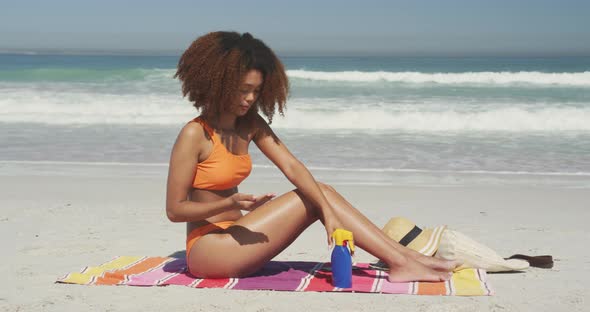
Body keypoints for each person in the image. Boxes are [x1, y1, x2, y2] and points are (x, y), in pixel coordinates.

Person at [166, 31, 458, 282]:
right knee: (312, 196)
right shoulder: (194, 134)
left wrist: (327, 213)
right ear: (220, 84)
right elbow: (175, 210)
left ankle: (404, 257)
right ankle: (402, 262)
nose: (251, 99)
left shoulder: (250, 124)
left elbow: (292, 166)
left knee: (320, 192)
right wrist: (231, 202)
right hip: (208, 251)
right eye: (244, 90)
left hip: (239, 237)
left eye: (256, 91)